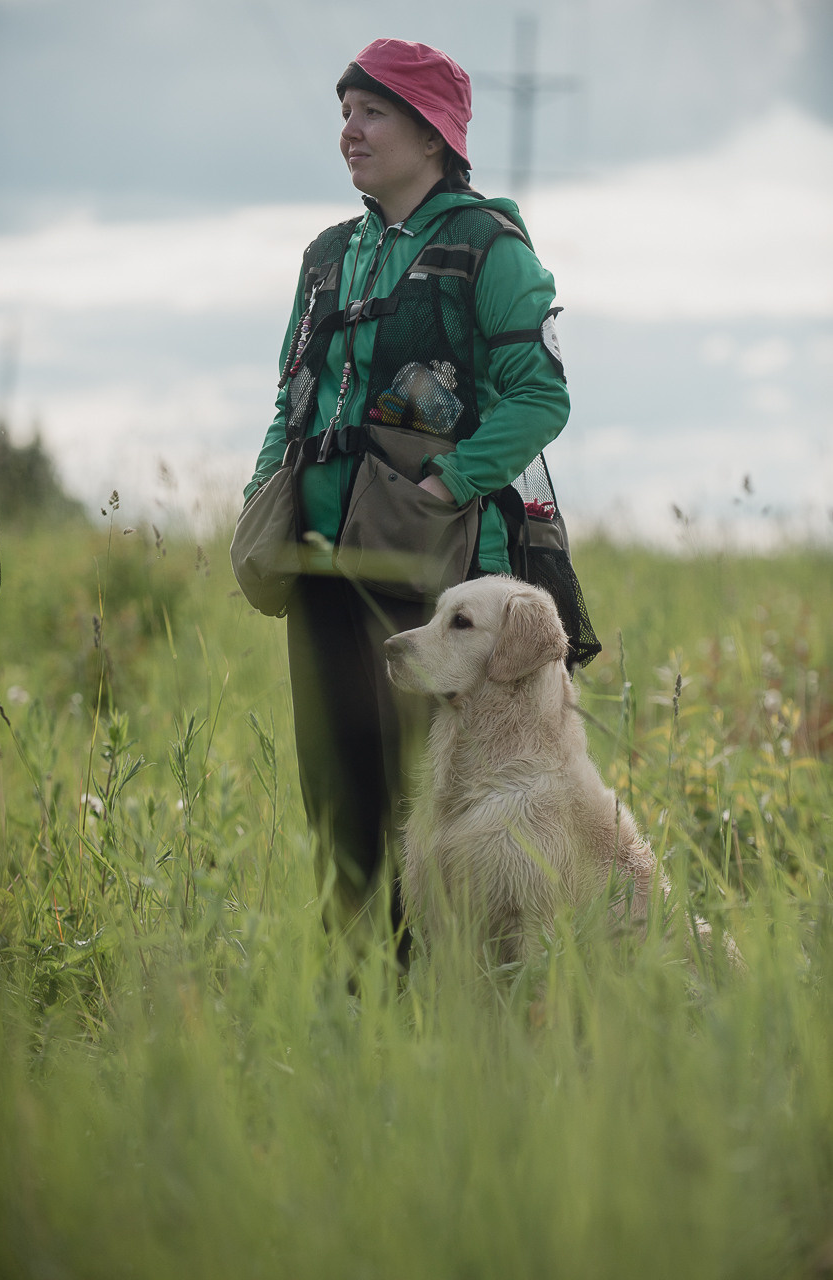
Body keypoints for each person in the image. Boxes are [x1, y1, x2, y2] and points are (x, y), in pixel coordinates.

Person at [243, 38, 570, 951]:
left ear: (434, 133)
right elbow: (294, 400)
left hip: (443, 569)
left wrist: (444, 482)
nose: (350, 130)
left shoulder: (489, 246)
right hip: (320, 565)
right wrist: (261, 496)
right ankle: (362, 1015)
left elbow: (541, 398)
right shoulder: (325, 257)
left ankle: (450, 1018)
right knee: (337, 800)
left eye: (372, 112)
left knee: (432, 808)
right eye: (344, 112)